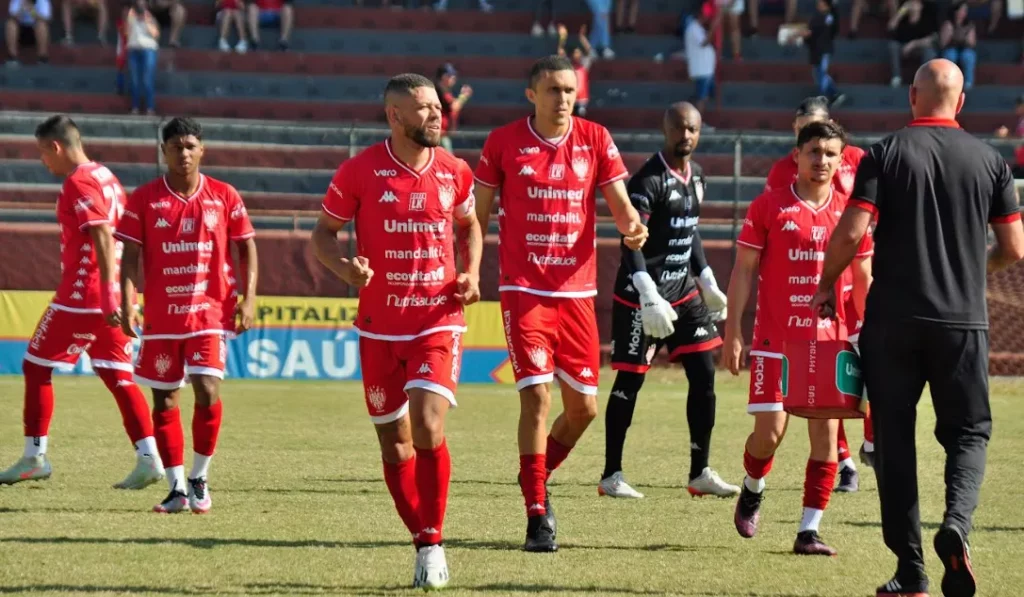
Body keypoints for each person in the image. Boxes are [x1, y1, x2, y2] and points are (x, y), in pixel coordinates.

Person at [811, 59, 1024, 597]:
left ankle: (911, 572)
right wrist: (975, 270)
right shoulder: (990, 161)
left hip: (892, 323)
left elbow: (850, 232)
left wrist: (824, 285)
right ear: (962, 101)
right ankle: (956, 524)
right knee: (969, 433)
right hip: (962, 322)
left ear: (912, 97)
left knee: (894, 445)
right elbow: (1015, 249)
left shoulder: (885, 153)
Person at [310, 73, 483, 590]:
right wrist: (346, 271)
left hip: (437, 319)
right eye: (425, 109)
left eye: (436, 106)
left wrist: (471, 272)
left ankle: (433, 540)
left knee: (429, 425)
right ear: (395, 116)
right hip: (379, 329)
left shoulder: (455, 170)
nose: (436, 115)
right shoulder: (359, 171)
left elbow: (470, 225)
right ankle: (422, 537)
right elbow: (323, 235)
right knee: (395, 445)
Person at [473, 55, 648, 552]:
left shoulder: (594, 138)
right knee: (537, 397)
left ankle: (535, 475)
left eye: (569, 90)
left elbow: (619, 203)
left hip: (578, 293)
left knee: (585, 409)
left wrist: (633, 224)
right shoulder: (503, 142)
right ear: (532, 94)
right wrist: (468, 270)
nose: (563, 99)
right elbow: (478, 218)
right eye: (553, 90)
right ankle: (536, 515)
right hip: (524, 289)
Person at [724, 120, 873, 556]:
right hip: (775, 340)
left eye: (831, 154)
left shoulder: (853, 212)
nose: (822, 161)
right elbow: (744, 271)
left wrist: (870, 329)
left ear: (842, 160)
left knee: (827, 441)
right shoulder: (768, 206)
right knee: (769, 434)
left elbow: (863, 277)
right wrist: (733, 331)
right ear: (797, 155)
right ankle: (752, 487)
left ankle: (809, 531)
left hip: (830, 342)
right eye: (814, 152)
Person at [0, 115, 164, 491]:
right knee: (117, 375)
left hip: (84, 294)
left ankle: (33, 457)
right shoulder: (107, 176)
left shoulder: (78, 181)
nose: (44, 162)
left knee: (36, 366)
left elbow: (104, 235)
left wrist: (108, 293)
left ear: (55, 146)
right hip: (110, 293)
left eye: (43, 153)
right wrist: (125, 293)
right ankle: (149, 459)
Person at [114, 117, 258, 515]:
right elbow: (130, 258)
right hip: (162, 317)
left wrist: (249, 297)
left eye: (190, 146)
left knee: (208, 389)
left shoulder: (224, 195)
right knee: (164, 401)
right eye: (176, 146)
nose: (183, 153)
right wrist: (128, 302)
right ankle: (177, 487)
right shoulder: (144, 198)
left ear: (202, 150)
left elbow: (247, 246)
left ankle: (199, 475)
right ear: (164, 151)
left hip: (210, 312)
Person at [599, 102, 739, 500]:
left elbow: (690, 231)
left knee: (704, 375)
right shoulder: (647, 181)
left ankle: (701, 472)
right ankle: (611, 474)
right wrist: (646, 292)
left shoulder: (698, 178)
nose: (687, 136)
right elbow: (631, 238)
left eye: (693, 129)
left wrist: (707, 278)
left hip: (683, 292)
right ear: (666, 130)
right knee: (630, 381)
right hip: (641, 298)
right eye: (680, 129)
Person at [763, 95, 873, 493]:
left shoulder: (858, 160)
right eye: (802, 131)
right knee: (825, 387)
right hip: (810, 299)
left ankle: (871, 445)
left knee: (870, 367)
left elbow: (870, 213)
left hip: (853, 286)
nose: (820, 157)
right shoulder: (781, 173)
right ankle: (844, 461)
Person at [125, 0, 159, 115]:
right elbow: (126, 33)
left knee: (147, 79)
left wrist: (147, 20)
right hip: (133, 50)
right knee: (134, 80)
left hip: (148, 50)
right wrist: (129, 19)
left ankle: (150, 108)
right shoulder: (130, 17)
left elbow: (155, 34)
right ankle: (135, 107)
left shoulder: (151, 18)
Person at [434, 63, 472, 153]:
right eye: (451, 76)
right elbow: (453, 107)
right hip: (438, 134)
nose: (453, 78)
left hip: (441, 134)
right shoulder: (439, 91)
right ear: (444, 77)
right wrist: (464, 96)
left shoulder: (443, 91)